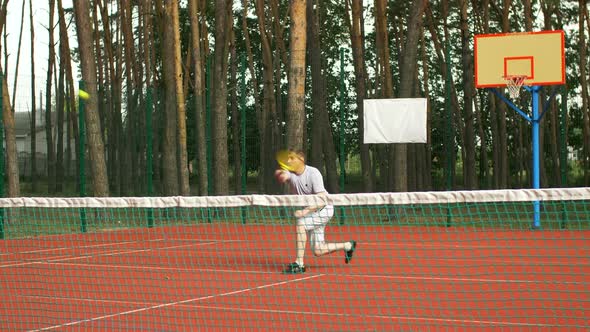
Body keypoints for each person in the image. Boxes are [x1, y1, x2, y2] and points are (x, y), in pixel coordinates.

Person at [275, 149, 357, 274]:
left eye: (292, 158)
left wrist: (304, 212)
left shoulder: (313, 173)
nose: (289, 161)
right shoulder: (291, 175)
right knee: (318, 250)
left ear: (301, 160)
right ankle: (348, 246)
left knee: (301, 224)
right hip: (312, 212)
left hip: (324, 208)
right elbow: (284, 174)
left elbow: (322, 200)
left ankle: (299, 264)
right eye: (288, 159)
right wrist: (281, 174)